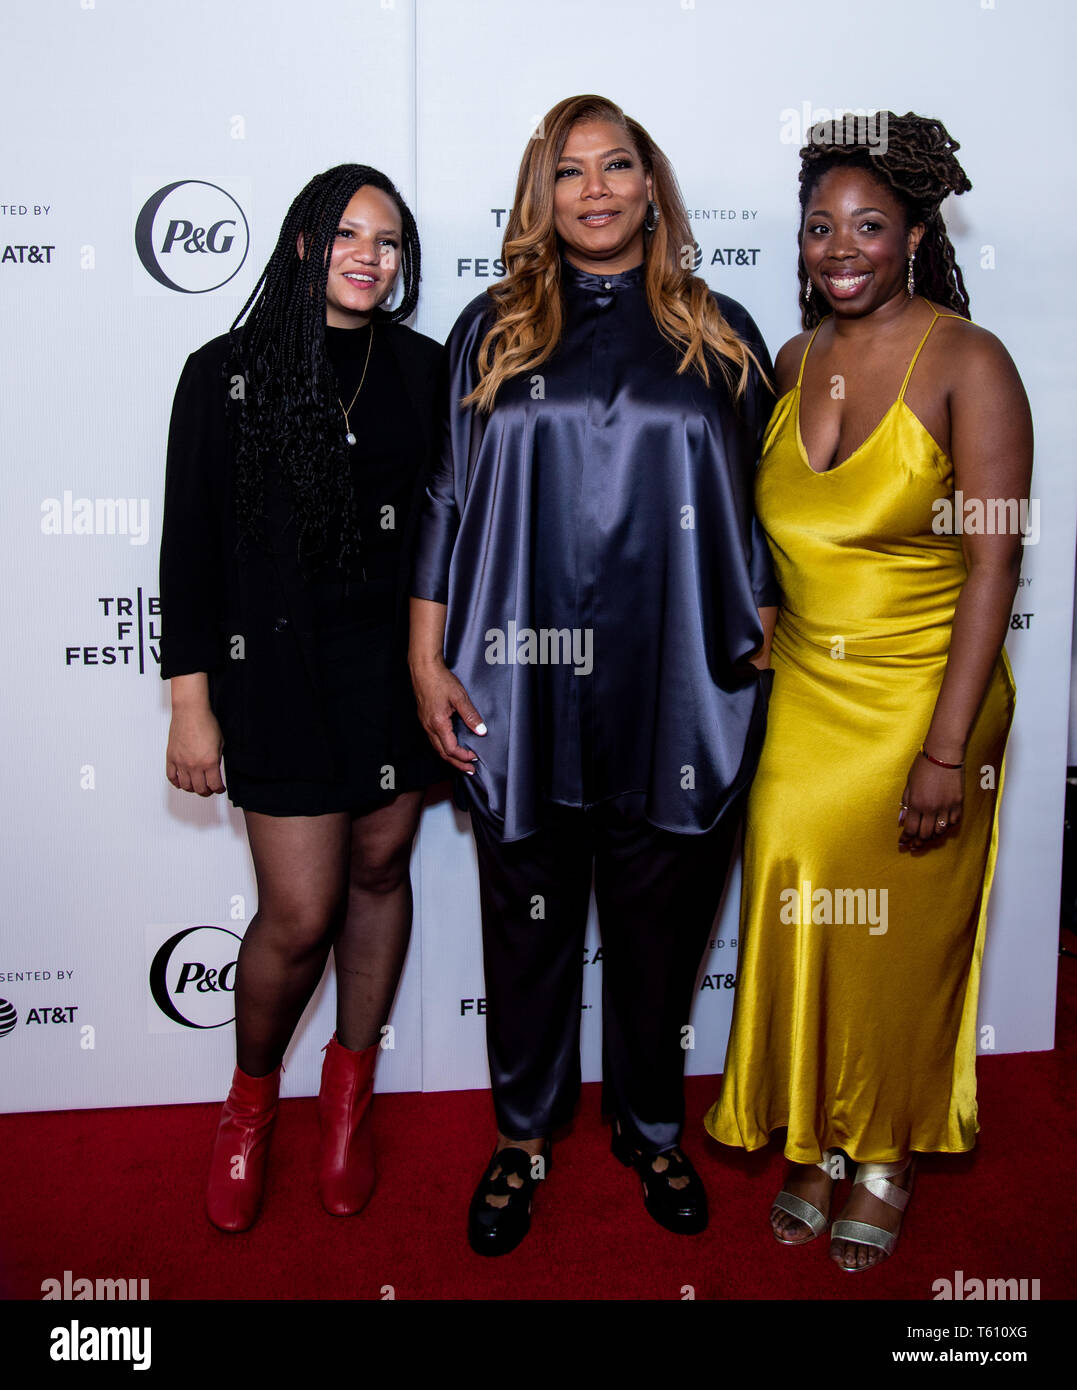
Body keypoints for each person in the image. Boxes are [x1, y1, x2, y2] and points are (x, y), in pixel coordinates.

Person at [409, 94, 778, 1255]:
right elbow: (445, 502)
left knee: (661, 929)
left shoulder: (721, 333)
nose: (598, 190)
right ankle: (523, 1137)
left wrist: (763, 630)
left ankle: (652, 1124)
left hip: (680, 685)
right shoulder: (493, 326)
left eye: (618, 166)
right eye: (570, 172)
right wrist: (426, 656)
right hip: (519, 686)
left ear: (653, 186)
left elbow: (772, 514)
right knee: (526, 924)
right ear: (542, 196)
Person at [705, 112, 1032, 1272]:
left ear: (914, 235)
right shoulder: (792, 365)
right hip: (808, 693)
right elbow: (782, 535)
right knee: (798, 905)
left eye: (868, 226)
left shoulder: (969, 360)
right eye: (818, 228)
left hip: (927, 694)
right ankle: (819, 1128)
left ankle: (885, 1147)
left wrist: (947, 747)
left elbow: (996, 554)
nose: (840, 248)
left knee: (899, 933)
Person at [159, 164, 445, 1233]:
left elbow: (447, 533)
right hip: (273, 674)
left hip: (392, 667)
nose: (370, 256)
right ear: (301, 245)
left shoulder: (421, 370)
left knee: (380, 870)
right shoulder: (223, 371)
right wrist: (192, 701)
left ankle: (347, 1101)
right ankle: (249, 1104)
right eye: (347, 235)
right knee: (299, 912)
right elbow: (187, 551)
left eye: (388, 242)